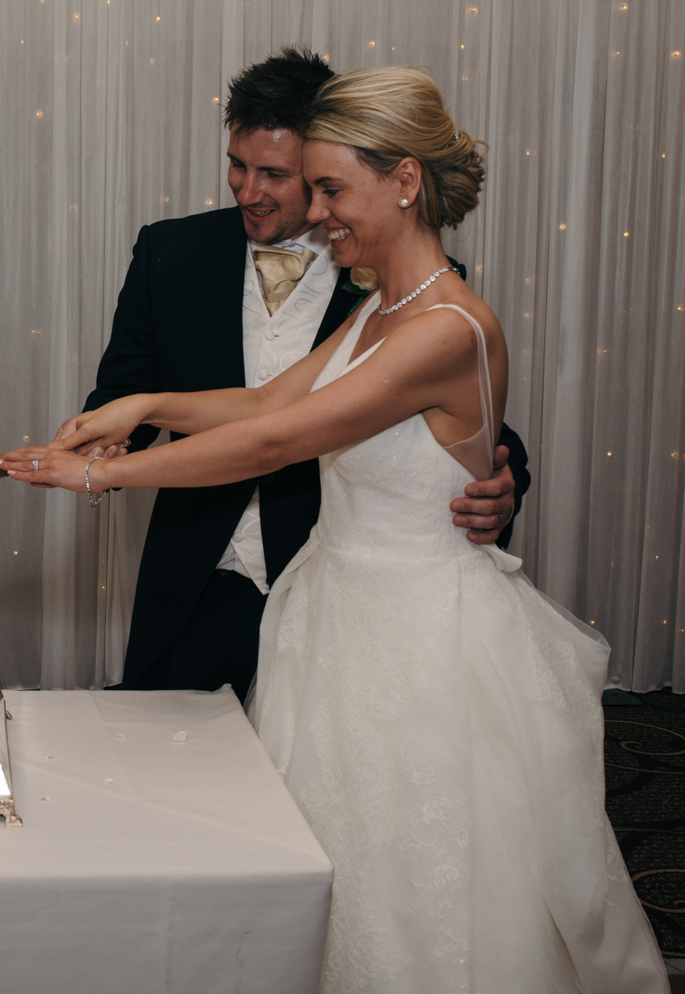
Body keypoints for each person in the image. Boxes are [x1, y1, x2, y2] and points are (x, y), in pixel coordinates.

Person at [0, 66, 667, 994]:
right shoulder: (385, 307)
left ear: (401, 179)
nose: (316, 213)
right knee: (314, 847)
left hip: (415, 638)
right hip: (334, 617)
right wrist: (140, 404)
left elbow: (275, 438)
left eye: (328, 189)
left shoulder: (442, 325)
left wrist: (99, 473)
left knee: (415, 875)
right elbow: (265, 397)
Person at [67, 47, 528, 700]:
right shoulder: (171, 252)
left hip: (354, 596)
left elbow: (443, 430)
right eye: (236, 165)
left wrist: (502, 482)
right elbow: (261, 404)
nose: (250, 191)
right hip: (205, 582)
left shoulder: (421, 294)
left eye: (284, 176)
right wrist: (128, 417)